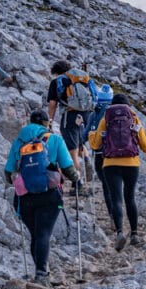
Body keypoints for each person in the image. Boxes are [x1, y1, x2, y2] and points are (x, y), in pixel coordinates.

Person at [4, 108, 79, 281]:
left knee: (35, 234)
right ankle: (41, 274)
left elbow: (8, 174)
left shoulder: (19, 141)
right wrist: (77, 179)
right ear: (47, 123)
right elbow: (68, 168)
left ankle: (39, 271)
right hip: (50, 195)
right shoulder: (54, 139)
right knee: (44, 233)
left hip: (25, 197)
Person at [88, 93, 146, 251]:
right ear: (127, 105)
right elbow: (145, 145)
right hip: (131, 163)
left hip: (110, 163)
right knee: (130, 197)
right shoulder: (133, 117)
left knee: (116, 198)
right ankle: (135, 234)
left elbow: (96, 145)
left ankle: (119, 233)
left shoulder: (106, 117)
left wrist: (90, 134)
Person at [46, 60, 94, 191]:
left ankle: (78, 183)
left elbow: (52, 104)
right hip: (86, 114)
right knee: (80, 141)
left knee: (71, 150)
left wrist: (49, 121)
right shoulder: (81, 78)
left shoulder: (57, 82)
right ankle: (86, 157)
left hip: (71, 115)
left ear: (56, 72)